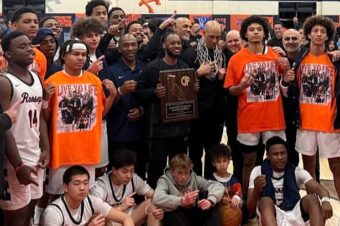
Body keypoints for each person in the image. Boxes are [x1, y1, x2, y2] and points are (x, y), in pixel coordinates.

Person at [42, 39, 116, 197]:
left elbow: (100, 114)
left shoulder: (94, 81)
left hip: (87, 149)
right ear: (64, 56)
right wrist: (46, 99)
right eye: (76, 54)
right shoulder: (53, 80)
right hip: (62, 149)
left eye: (84, 55)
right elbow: (47, 118)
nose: (81, 58)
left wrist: (112, 96)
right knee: (57, 194)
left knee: (84, 194)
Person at [224, 15, 289, 195]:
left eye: (259, 29)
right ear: (245, 33)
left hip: (273, 118)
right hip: (248, 118)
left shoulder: (276, 55)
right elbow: (230, 90)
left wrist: (287, 65)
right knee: (248, 160)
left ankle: (276, 197)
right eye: (251, 29)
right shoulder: (236, 59)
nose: (255, 33)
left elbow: (288, 81)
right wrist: (242, 86)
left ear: (264, 33)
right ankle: (248, 201)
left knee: (276, 160)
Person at [283, 15, 340, 200]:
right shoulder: (299, 60)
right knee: (308, 170)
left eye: (323, 31)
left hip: (331, 123)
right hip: (305, 123)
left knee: (337, 168)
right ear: (308, 34)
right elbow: (288, 89)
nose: (319, 34)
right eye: (315, 31)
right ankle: (314, 207)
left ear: (328, 36)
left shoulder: (335, 60)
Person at [0, 31, 50, 226]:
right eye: (22, 46)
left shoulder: (37, 77)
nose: (30, 49)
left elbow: (41, 118)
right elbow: (4, 127)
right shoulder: (4, 82)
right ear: (8, 54)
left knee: (30, 209)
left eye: (30, 45)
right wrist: (18, 165)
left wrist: (45, 148)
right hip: (14, 158)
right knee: (15, 216)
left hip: (35, 154)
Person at [136, 32, 196, 188]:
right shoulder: (152, 67)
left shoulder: (185, 67)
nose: (177, 46)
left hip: (180, 129)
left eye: (179, 43)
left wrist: (195, 88)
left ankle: (177, 198)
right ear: (164, 45)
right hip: (159, 130)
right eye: (172, 43)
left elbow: (190, 96)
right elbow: (139, 91)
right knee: (156, 168)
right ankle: (155, 201)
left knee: (179, 168)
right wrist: (154, 93)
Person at [247, 136, 333, 226]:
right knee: (265, 201)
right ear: (268, 156)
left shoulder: (296, 171)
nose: (280, 157)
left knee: (312, 198)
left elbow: (319, 188)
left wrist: (326, 201)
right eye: (275, 154)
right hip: (272, 215)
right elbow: (250, 209)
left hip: (294, 213)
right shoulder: (258, 171)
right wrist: (256, 190)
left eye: (283, 153)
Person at [181, 20, 226, 178]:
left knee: (213, 153)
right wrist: (197, 73)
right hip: (196, 114)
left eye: (217, 37)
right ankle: (195, 185)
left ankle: (209, 186)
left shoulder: (221, 54)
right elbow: (179, 82)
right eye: (211, 37)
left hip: (216, 113)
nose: (214, 41)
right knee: (194, 153)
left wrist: (221, 78)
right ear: (203, 34)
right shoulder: (190, 54)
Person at [40, 165, 135, 226]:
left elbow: (126, 218)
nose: (82, 188)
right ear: (65, 187)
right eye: (77, 184)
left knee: (106, 221)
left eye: (85, 183)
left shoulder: (92, 201)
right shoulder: (53, 213)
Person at [106, 34, 146, 177]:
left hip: (141, 133)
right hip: (118, 132)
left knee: (139, 172)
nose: (130, 48)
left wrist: (142, 110)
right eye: (126, 45)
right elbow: (105, 106)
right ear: (119, 48)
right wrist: (120, 91)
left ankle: (140, 199)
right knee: (118, 173)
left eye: (133, 45)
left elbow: (151, 97)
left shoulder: (145, 68)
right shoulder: (111, 70)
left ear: (138, 46)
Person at [91, 149, 164, 226]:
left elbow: (156, 195)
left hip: (130, 217)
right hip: (110, 221)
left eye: (132, 171)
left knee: (153, 203)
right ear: (114, 170)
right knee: (100, 220)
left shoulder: (134, 179)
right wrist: (121, 207)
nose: (129, 176)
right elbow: (95, 215)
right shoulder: (100, 186)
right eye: (124, 172)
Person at [152, 153, 224, 226]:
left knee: (212, 201)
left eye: (186, 173)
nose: (184, 177)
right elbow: (157, 198)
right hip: (176, 216)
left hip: (193, 214)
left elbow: (218, 186)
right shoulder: (164, 180)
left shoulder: (193, 177)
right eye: (180, 173)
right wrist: (182, 201)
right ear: (172, 171)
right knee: (172, 214)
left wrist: (210, 201)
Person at [11, 7, 47, 80]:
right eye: (27, 22)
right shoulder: (2, 49)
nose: (33, 25)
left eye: (36, 22)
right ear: (14, 26)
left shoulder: (40, 56)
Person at [209, 144, 243, 210]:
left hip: (233, 215)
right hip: (216, 216)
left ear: (229, 161)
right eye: (218, 161)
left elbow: (242, 202)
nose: (222, 165)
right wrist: (219, 200)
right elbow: (207, 201)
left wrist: (236, 198)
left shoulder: (235, 181)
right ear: (213, 163)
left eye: (224, 161)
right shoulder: (210, 181)